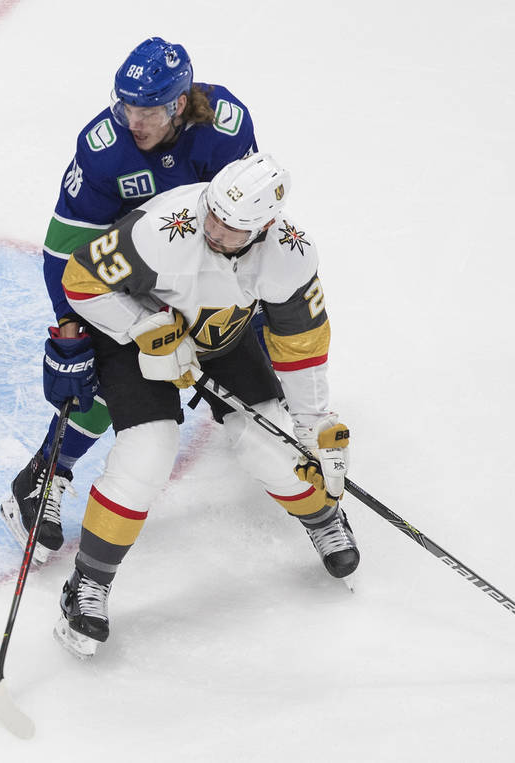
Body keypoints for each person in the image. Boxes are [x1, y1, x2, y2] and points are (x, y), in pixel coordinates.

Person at [51, 152, 355, 658]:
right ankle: (88, 586)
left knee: (275, 448)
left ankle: (324, 519)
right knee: (148, 451)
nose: (213, 228)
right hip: (133, 341)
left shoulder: (291, 255)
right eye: (212, 212)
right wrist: (142, 328)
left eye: (232, 227)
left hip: (222, 338)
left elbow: (301, 347)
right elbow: (82, 281)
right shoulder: (160, 232)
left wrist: (314, 426)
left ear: (265, 227)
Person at [0, 37, 259, 563]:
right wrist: (70, 329)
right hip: (124, 276)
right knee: (103, 379)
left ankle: (276, 438)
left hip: (203, 269)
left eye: (145, 109)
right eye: (124, 105)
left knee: (259, 339)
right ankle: (42, 476)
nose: (131, 120)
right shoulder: (103, 148)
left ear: (179, 103)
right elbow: (64, 248)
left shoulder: (226, 129)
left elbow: (245, 219)